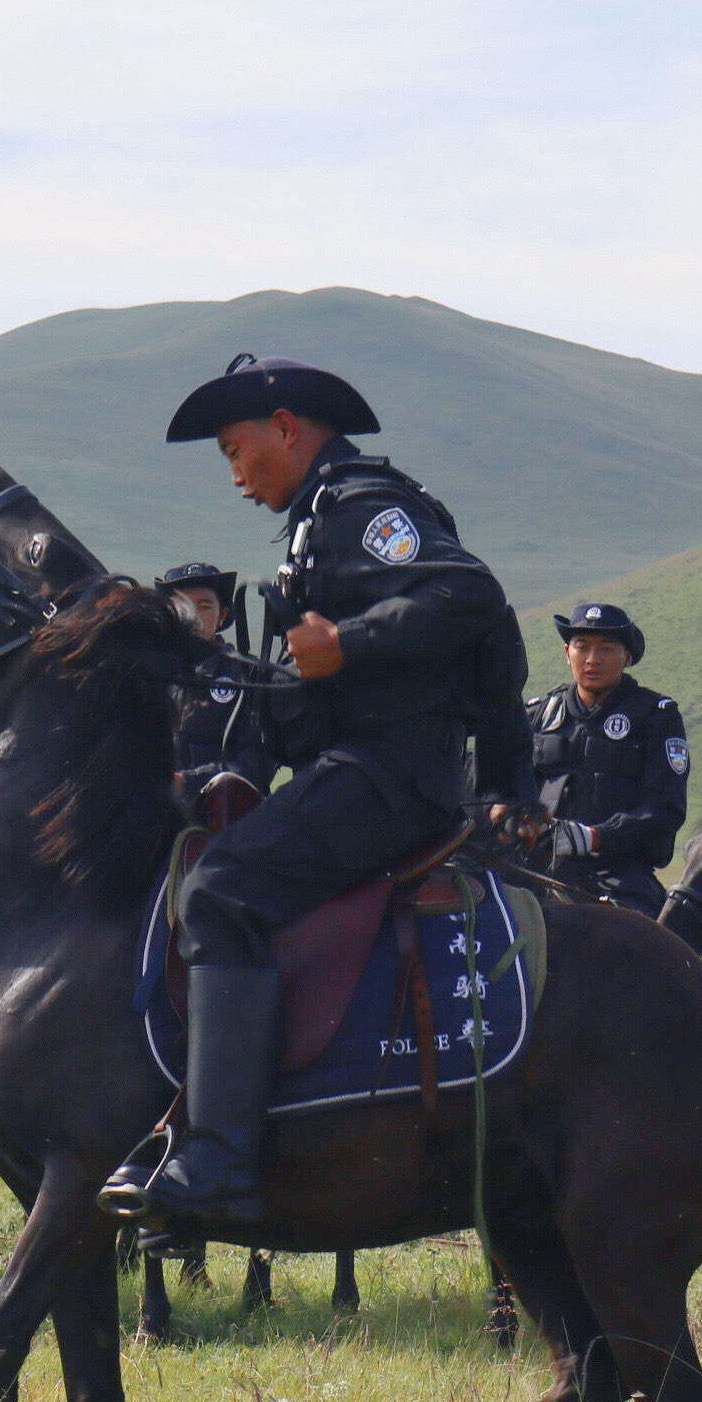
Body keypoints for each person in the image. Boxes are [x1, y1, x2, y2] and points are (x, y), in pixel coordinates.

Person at [99, 354, 530, 1225]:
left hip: (389, 778)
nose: (234, 477)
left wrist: (352, 643)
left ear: (286, 428)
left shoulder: (363, 506)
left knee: (220, 891)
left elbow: (468, 594)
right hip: (359, 767)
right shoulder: (315, 518)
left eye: (234, 450)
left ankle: (218, 1163)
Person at [524, 600, 688, 916]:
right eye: (581, 647)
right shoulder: (536, 716)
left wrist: (595, 838)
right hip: (532, 870)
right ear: (566, 654)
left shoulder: (656, 717)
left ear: (627, 657)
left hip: (618, 877)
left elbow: (666, 809)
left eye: (607, 649)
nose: (592, 659)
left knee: (648, 948)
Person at [155, 561, 273, 816]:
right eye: (182, 605)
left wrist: (188, 783)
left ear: (223, 616)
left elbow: (258, 764)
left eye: (205, 606)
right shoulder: (147, 673)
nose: (193, 615)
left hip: (223, 818)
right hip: (152, 812)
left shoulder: (248, 675)